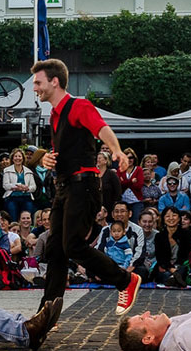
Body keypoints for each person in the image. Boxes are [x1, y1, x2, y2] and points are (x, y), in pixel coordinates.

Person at [32, 58, 140, 316]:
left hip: (84, 186)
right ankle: (48, 312)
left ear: (54, 81)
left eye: (38, 82)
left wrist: (116, 151)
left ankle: (126, 281)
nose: (35, 88)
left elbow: (102, 129)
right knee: (54, 249)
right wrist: (48, 157)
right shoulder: (54, 116)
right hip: (64, 187)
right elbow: (66, 150)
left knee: (72, 246)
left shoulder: (78, 106)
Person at [152, 206, 191, 287]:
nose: (171, 218)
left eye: (174, 215)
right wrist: (171, 269)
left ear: (179, 218)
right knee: (165, 275)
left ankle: (175, 278)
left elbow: (186, 254)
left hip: (180, 265)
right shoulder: (159, 236)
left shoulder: (186, 234)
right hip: (166, 267)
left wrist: (176, 267)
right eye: (167, 216)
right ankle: (175, 278)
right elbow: (160, 257)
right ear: (163, 219)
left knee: (182, 270)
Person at [2, 148, 36, 222]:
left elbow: (33, 187)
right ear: (12, 158)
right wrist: (18, 186)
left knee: (27, 218)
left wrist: (26, 188)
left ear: (23, 158)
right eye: (16, 156)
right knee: (13, 218)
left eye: (19, 156)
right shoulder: (7, 170)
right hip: (12, 198)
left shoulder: (28, 171)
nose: (18, 158)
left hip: (26, 197)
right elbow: (5, 185)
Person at [117, 147, 144, 223]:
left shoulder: (139, 169)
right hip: (123, 202)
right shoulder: (120, 170)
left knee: (136, 223)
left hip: (136, 202)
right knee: (122, 223)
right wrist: (132, 182)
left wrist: (125, 182)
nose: (129, 160)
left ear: (134, 158)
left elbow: (139, 186)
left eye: (131, 157)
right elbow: (119, 186)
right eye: (126, 157)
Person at [98, 151, 122, 220]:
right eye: (97, 158)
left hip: (110, 206)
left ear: (106, 161)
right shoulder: (94, 174)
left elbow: (118, 191)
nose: (98, 160)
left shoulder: (111, 174)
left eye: (100, 158)